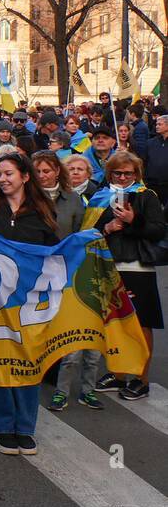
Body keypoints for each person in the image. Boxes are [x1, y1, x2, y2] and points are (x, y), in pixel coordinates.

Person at [0, 152, 59, 455]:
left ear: (24, 176)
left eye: (8, 173)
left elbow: (55, 253)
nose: (3, 179)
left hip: (29, 302)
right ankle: (1, 426)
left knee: (27, 362)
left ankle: (25, 426)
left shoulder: (43, 211)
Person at [90, 150, 165, 402]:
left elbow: (158, 230)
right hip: (108, 266)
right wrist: (106, 228)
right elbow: (88, 232)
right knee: (113, 324)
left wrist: (134, 220)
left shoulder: (147, 196)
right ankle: (118, 373)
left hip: (137, 267)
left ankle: (140, 379)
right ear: (109, 173)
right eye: (117, 173)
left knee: (141, 324)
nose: (122, 177)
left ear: (137, 174)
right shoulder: (100, 197)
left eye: (128, 173)